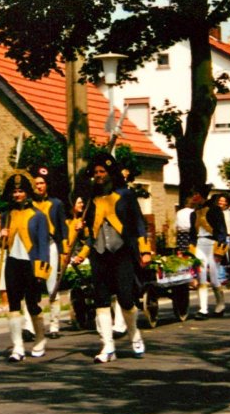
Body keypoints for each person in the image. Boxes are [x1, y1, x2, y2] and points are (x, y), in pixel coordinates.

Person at [73, 153, 151, 363]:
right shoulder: (91, 200)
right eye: (96, 172)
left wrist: (144, 250)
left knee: (126, 300)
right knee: (101, 301)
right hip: (99, 255)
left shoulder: (125, 195)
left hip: (122, 253)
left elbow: (139, 224)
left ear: (109, 173)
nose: (98, 175)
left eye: (102, 172)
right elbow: (90, 233)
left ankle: (134, 334)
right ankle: (107, 346)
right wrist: (79, 227)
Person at [0, 172, 52, 362]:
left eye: (21, 191)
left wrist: (41, 271)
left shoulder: (38, 216)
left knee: (32, 304)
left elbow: (43, 245)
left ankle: (40, 339)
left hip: (31, 264)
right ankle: (18, 347)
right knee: (13, 305)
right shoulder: (7, 215)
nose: (17, 195)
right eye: (14, 192)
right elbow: (3, 246)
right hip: (13, 263)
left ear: (27, 193)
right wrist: (2, 236)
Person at [29, 166, 68, 339]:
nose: (39, 186)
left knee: (52, 286)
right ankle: (30, 325)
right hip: (32, 248)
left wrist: (64, 251)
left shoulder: (56, 204)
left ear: (47, 185)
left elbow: (62, 229)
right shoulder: (29, 204)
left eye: (42, 183)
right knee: (30, 286)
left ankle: (54, 325)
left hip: (50, 245)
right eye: (36, 183)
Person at [189, 191, 229, 319]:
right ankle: (203, 309)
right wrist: (191, 250)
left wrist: (219, 251)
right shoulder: (193, 214)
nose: (194, 197)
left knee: (214, 277)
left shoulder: (215, 210)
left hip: (212, 244)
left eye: (197, 195)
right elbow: (192, 234)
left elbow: (222, 230)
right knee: (201, 277)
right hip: (200, 245)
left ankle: (220, 305)